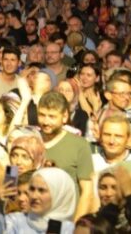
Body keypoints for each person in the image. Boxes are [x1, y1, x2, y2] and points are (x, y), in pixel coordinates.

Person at [38, 91, 94, 219]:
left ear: (64, 117)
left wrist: (76, 226)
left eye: (52, 116)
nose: (46, 121)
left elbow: (87, 191)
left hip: (65, 221)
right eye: (42, 115)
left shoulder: (79, 145)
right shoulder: (30, 139)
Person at [0, 167, 77, 234]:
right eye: (32, 189)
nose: (34, 196)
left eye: (41, 190)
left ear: (59, 195)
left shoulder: (73, 230)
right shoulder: (14, 221)